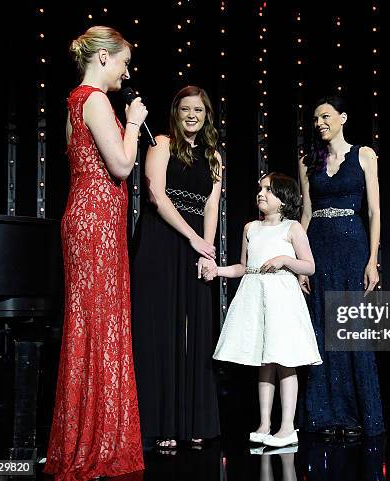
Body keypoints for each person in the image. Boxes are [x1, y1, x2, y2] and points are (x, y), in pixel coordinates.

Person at [45, 26, 147, 480]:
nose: (126, 72)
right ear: (103, 57)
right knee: (100, 324)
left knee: (92, 323)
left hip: (86, 219)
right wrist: (136, 124)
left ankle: (87, 438)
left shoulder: (74, 102)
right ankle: (96, 443)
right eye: (123, 62)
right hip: (96, 223)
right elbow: (121, 166)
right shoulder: (95, 99)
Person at [131, 85, 222, 450]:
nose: (191, 116)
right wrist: (192, 237)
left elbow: (212, 206)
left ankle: (193, 420)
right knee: (160, 328)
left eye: (198, 110)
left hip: (196, 242)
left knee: (196, 329)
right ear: (176, 112)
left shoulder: (215, 156)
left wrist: (207, 250)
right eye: (185, 109)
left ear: (206, 115)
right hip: (161, 238)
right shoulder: (162, 144)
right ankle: (161, 424)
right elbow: (156, 194)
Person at [207, 173, 322, 449]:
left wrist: (285, 259)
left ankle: (286, 427)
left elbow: (310, 266)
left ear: (283, 200)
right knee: (264, 361)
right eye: (260, 188)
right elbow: (244, 267)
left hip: (282, 298)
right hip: (256, 298)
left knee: (285, 359)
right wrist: (218, 270)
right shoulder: (250, 228)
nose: (261, 193)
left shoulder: (293, 228)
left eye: (268, 190)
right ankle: (264, 423)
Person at [298, 96, 384, 438]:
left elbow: (375, 212)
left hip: (352, 248)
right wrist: (302, 265)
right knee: (320, 326)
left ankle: (357, 415)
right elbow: (305, 215)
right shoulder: (308, 160)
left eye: (326, 116)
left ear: (342, 117)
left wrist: (372, 260)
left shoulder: (364, 155)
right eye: (315, 117)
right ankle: (324, 416)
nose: (320, 122)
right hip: (318, 247)